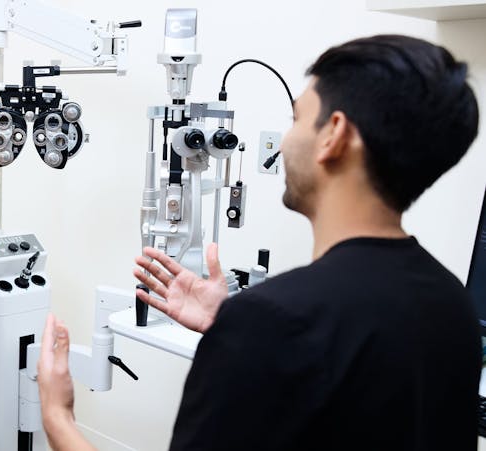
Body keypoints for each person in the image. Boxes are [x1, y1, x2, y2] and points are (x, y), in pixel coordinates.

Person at [38, 34, 481, 450]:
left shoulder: (272, 321)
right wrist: (230, 325)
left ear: (336, 135)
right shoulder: (453, 307)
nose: (286, 140)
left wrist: (58, 415)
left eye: (296, 118)